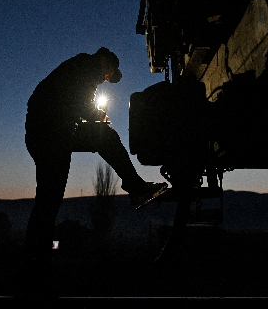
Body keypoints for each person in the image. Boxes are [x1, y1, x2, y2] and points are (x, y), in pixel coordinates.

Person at [19, 47, 167, 296]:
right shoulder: (86, 68)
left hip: (51, 133)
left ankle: (34, 272)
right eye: (109, 74)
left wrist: (93, 114)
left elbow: (71, 103)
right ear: (105, 62)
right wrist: (98, 114)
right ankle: (34, 275)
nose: (106, 79)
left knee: (47, 204)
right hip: (50, 135)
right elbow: (79, 103)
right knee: (48, 203)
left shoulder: (80, 68)